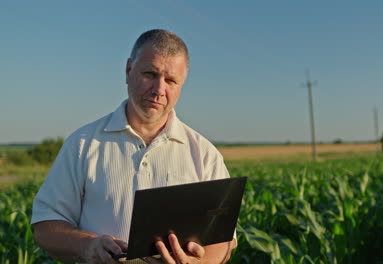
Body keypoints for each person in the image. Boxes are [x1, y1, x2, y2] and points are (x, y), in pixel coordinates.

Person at [31, 29, 234, 264]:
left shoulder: (204, 153)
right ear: (129, 70)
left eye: (170, 80)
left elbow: (225, 238)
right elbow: (45, 227)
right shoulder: (83, 144)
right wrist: (87, 246)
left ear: (182, 84)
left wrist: (202, 262)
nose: (159, 90)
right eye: (150, 74)